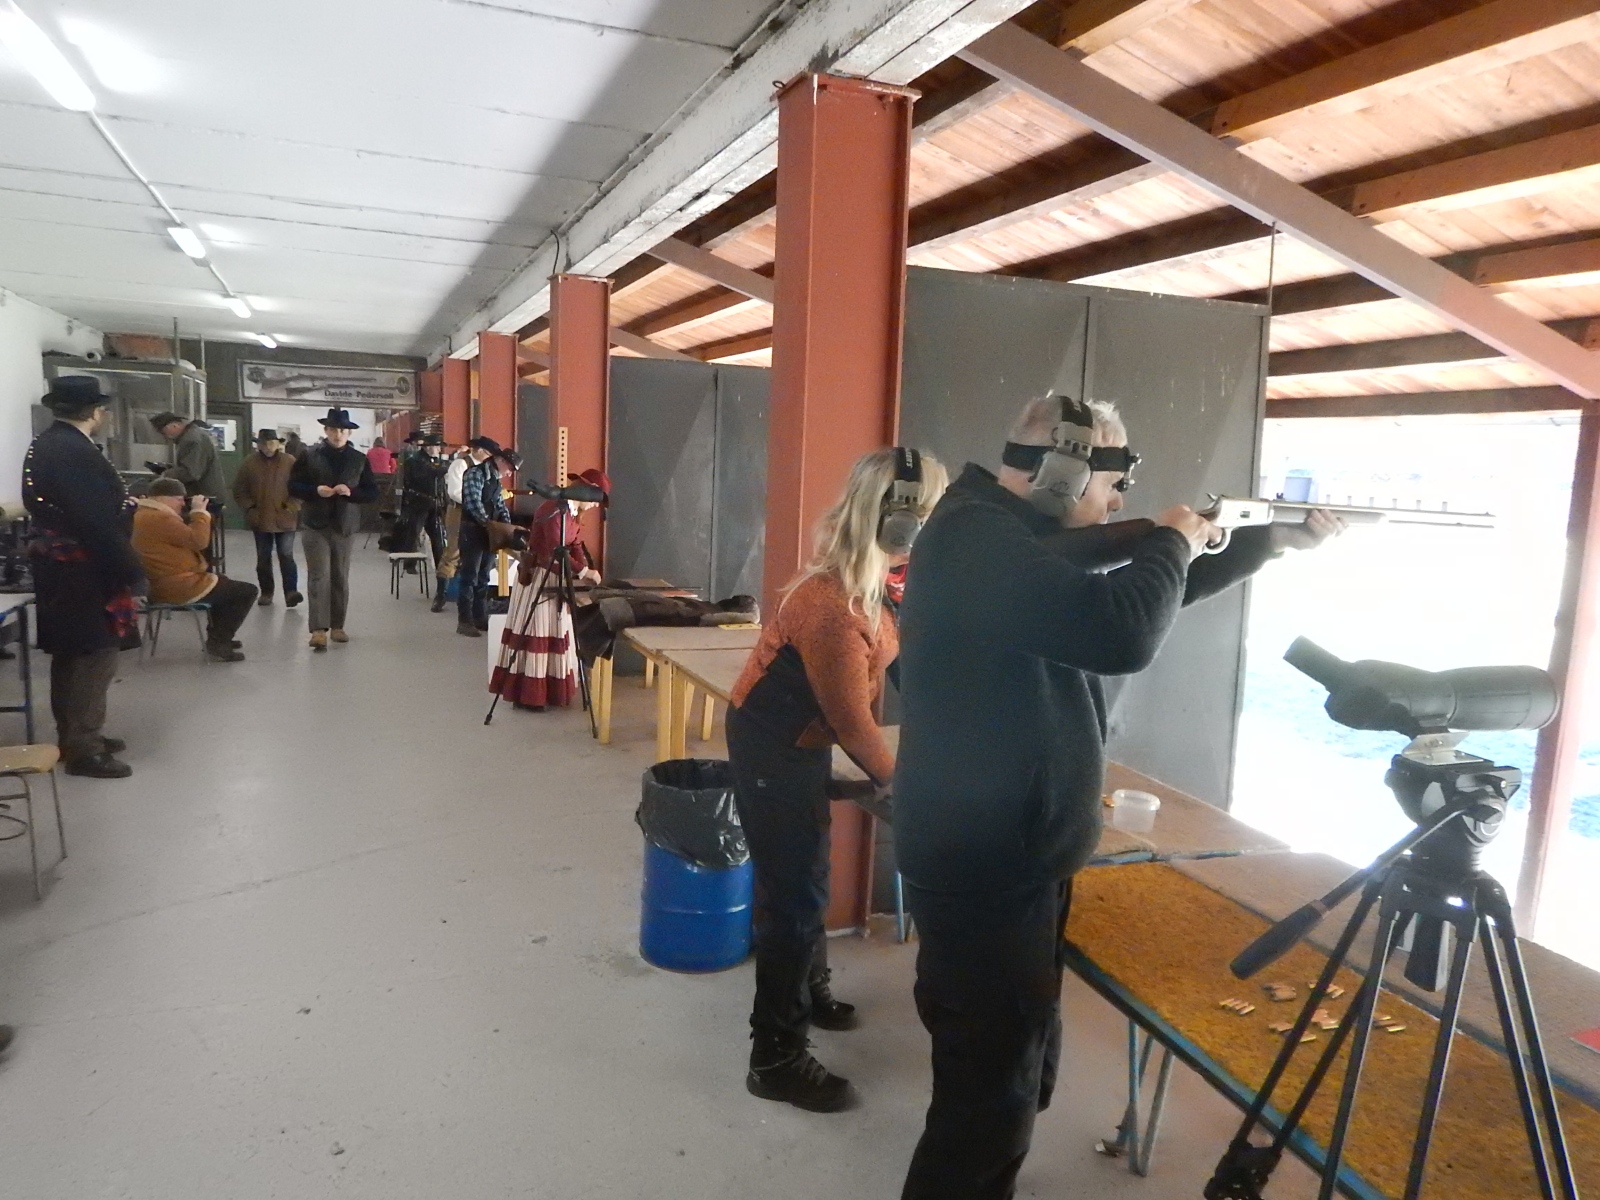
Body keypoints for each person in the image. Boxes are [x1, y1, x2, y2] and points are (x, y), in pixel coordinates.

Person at [893, 396, 1343, 1199]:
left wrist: (1265, 542)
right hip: (984, 866)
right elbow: (1122, 631)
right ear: (1062, 472)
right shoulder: (974, 538)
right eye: (1113, 483)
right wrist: (1169, 539)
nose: (1118, 502)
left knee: (1013, 1071)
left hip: (1013, 855)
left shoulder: (1003, 535)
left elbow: (1149, 596)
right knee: (983, 1101)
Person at [726, 447, 948, 1113]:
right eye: (929, 511)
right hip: (772, 747)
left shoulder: (876, 580)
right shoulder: (831, 604)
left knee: (810, 871)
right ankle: (775, 1058)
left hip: (800, 740)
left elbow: (897, 662)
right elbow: (852, 720)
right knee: (794, 898)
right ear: (901, 520)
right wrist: (904, 785)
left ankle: (807, 988)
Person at [24, 377, 144, 778]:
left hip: (64, 567)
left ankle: (74, 735)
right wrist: (130, 568)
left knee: (71, 653)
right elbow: (95, 522)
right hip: (84, 568)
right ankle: (84, 748)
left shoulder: (48, 443)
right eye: (102, 409)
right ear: (93, 411)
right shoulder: (75, 451)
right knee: (95, 654)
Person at [490, 469, 606, 709]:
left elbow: (574, 544)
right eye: (596, 500)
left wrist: (584, 568)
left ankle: (548, 692)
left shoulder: (571, 513)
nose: (595, 505)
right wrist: (584, 572)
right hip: (538, 577)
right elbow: (555, 549)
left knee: (553, 633)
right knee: (535, 634)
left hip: (556, 577)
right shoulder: (553, 510)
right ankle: (528, 695)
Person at [132, 480, 257, 662]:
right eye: (179, 499)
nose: (183, 504)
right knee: (246, 591)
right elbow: (199, 540)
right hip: (177, 586)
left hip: (160, 583)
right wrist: (199, 513)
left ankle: (219, 636)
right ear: (163, 498)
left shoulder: (144, 515)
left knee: (224, 585)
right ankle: (219, 641)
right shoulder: (160, 518)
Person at [287, 408, 377, 651]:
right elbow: (293, 486)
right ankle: (318, 629)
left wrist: (352, 493)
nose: (338, 434)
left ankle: (338, 626)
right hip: (315, 523)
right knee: (319, 575)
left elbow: (371, 492)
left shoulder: (359, 459)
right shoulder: (309, 455)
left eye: (342, 430)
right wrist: (315, 491)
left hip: (345, 524)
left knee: (340, 576)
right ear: (326, 430)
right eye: (334, 429)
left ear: (349, 433)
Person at [231, 428, 302, 608]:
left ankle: (291, 592)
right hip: (260, 518)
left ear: (278, 444)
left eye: (272, 443)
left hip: (285, 517)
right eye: (264, 444)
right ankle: (267, 592)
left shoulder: (290, 461)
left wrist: (292, 505)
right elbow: (239, 489)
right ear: (258, 445)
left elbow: (300, 486)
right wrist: (250, 508)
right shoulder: (249, 463)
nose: (268, 447)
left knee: (286, 555)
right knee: (263, 557)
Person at [454, 437, 511, 638]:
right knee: (469, 576)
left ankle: (480, 617)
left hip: (487, 534)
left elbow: (500, 505)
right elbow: (472, 502)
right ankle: (464, 621)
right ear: (500, 461)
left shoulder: (494, 480)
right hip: (472, 531)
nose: (510, 473)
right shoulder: (475, 474)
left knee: (484, 577)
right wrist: (489, 525)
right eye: (509, 468)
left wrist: (506, 527)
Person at [399, 433, 451, 602]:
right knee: (414, 532)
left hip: (434, 505)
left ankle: (441, 570)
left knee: (437, 538)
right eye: (434, 446)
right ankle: (409, 564)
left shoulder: (435, 461)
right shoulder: (415, 460)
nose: (437, 449)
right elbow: (426, 475)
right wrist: (448, 466)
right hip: (419, 503)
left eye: (437, 446)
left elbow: (440, 482)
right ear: (427, 447)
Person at [149, 411, 227, 512]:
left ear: (174, 426)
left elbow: (191, 473)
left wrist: (166, 474)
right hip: (206, 495)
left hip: (202, 498)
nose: (165, 437)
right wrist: (170, 468)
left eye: (164, 432)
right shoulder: (192, 436)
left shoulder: (191, 440)